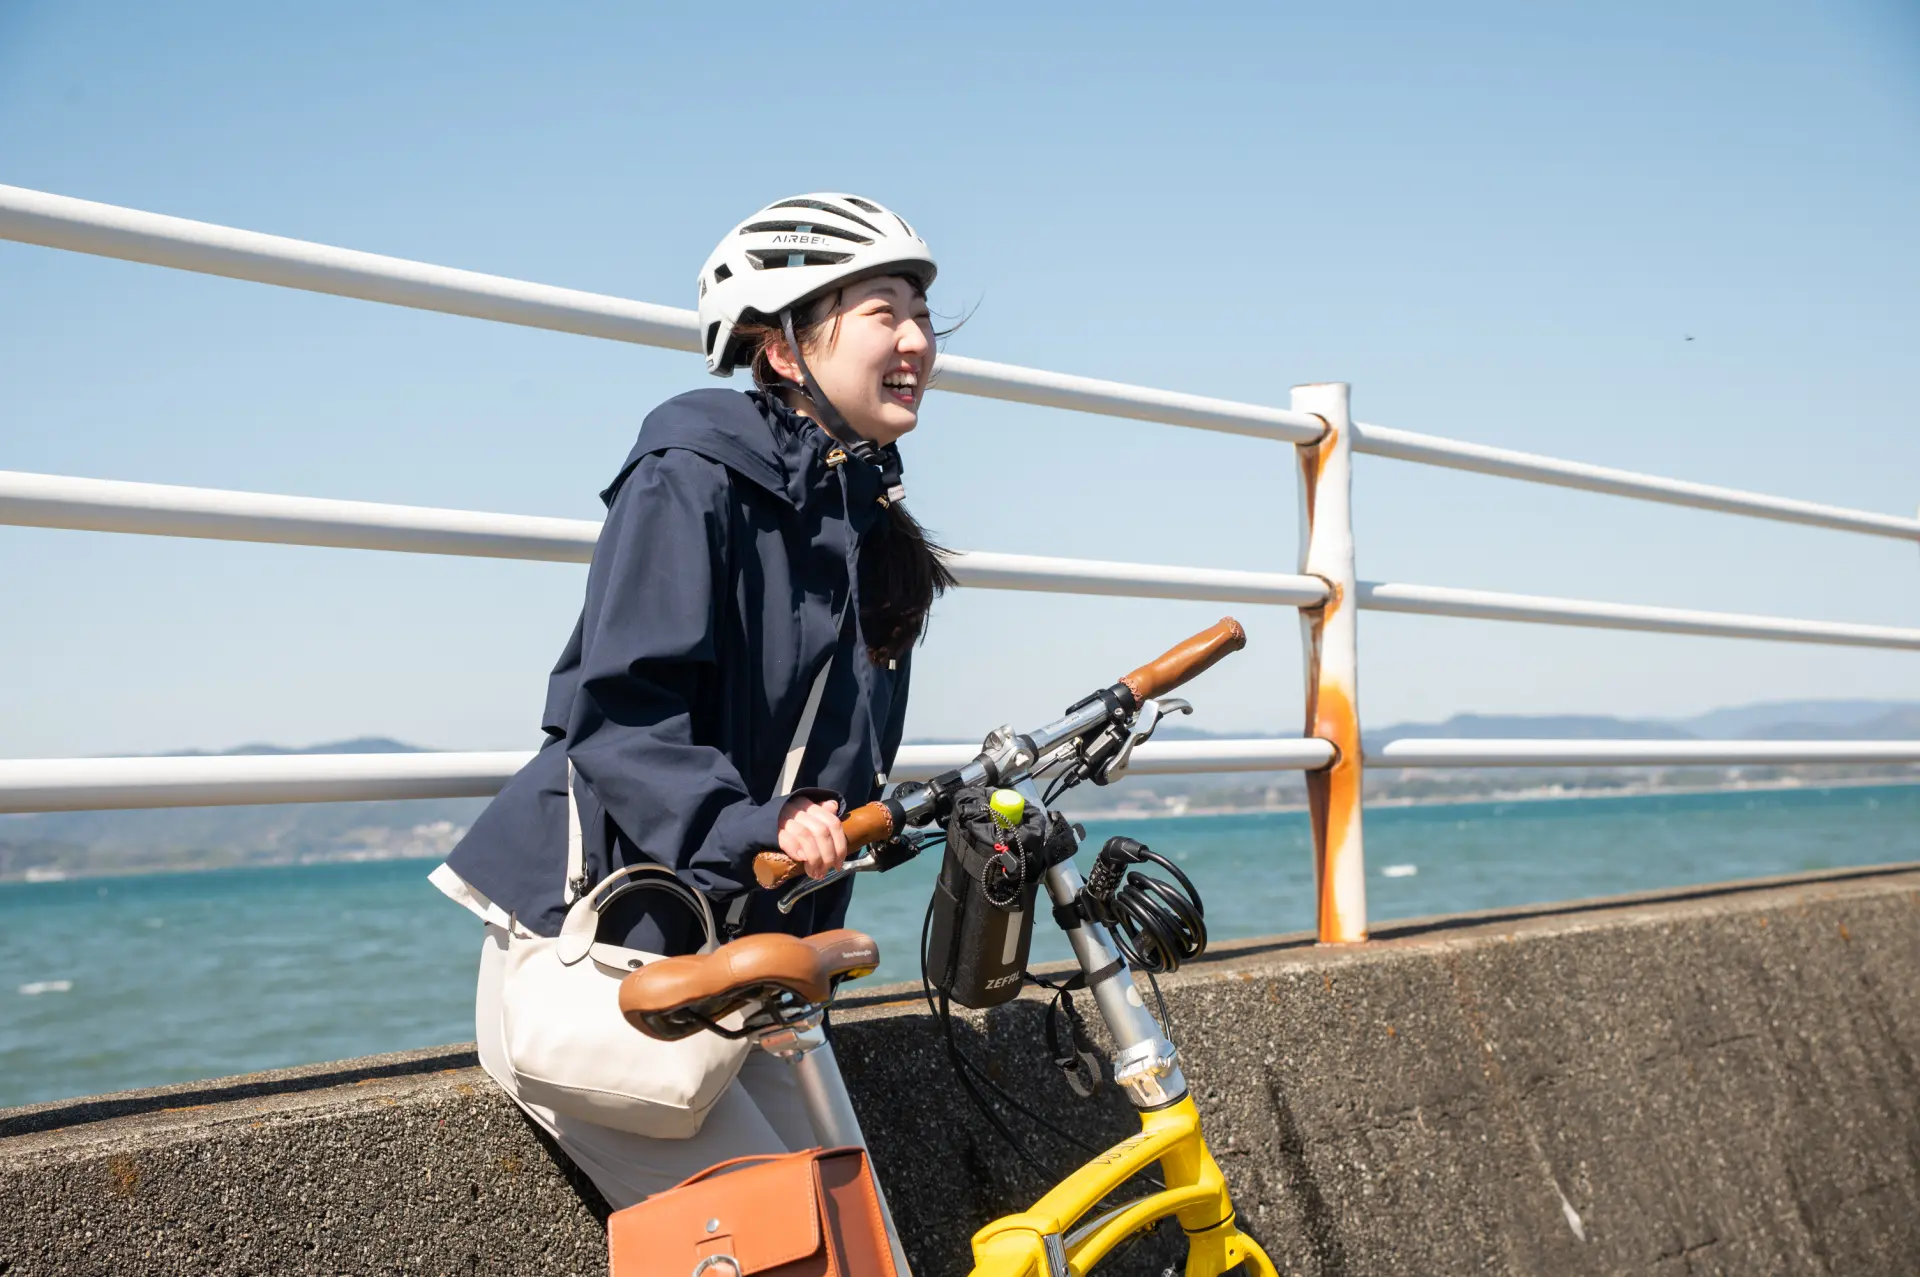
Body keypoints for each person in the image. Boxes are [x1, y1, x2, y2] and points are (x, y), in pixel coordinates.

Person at [427, 193, 954, 1207]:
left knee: (855, 1226)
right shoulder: (691, 467)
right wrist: (757, 822)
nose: (919, 341)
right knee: (785, 1240)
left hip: (744, 964)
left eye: (923, 317)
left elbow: (828, 769)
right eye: (885, 311)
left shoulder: (860, 508)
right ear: (785, 345)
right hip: (620, 953)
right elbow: (620, 711)